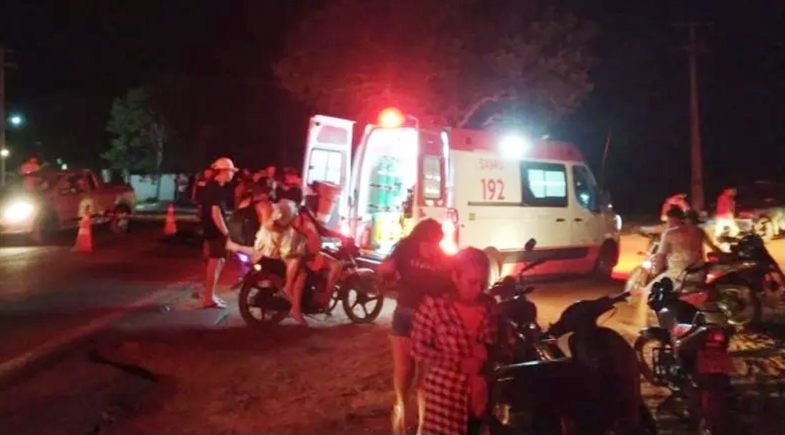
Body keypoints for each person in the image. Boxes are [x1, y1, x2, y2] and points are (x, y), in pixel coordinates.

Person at [411, 247, 499, 435]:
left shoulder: (489, 305)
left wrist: (488, 352)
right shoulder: (434, 307)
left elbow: (493, 344)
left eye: (482, 283)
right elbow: (418, 348)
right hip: (445, 397)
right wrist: (458, 364)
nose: (478, 289)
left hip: (480, 396)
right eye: (472, 282)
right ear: (455, 276)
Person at [378, 219, 451, 435]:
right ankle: (401, 407)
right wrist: (386, 269)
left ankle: (423, 425)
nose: (431, 247)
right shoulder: (404, 251)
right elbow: (384, 269)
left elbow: (450, 287)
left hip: (431, 320)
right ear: (418, 239)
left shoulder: (443, 259)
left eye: (435, 243)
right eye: (428, 242)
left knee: (425, 377)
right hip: (405, 315)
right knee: (403, 370)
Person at [199, 157, 238, 309]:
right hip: (215, 232)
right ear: (222, 172)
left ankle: (210, 295)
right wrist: (226, 233)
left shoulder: (211, 187)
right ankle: (209, 298)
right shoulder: (215, 189)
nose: (232, 174)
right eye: (230, 171)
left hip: (211, 230)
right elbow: (216, 214)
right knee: (215, 264)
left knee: (217, 262)